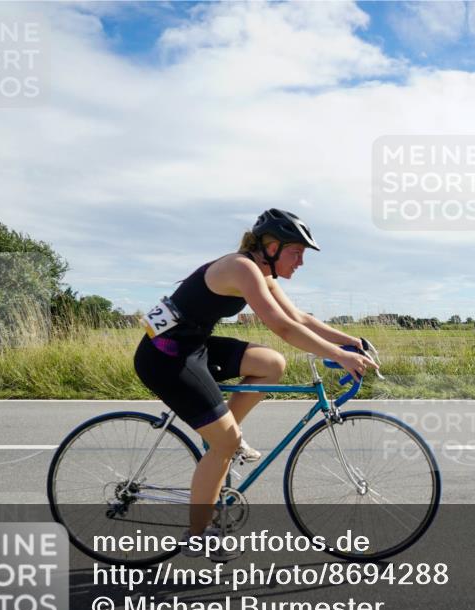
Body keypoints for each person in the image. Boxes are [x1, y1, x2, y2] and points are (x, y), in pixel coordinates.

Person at [133, 208, 376, 559]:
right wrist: (339, 357)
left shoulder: (262, 273)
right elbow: (284, 328)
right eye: (297, 252)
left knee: (272, 364)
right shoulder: (241, 268)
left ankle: (222, 437)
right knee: (225, 444)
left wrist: (350, 342)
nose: (301, 262)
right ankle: (199, 533)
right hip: (165, 357)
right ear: (272, 246)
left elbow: (300, 318)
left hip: (193, 346)